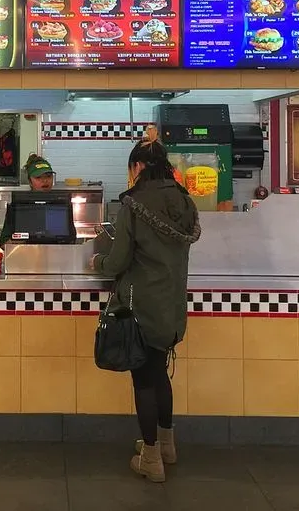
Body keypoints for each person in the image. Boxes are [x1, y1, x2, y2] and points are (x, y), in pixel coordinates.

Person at [91, 140, 200, 483]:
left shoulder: (134, 204)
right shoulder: (184, 200)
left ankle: (151, 458)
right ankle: (166, 446)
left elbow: (118, 261)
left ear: (138, 166)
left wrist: (98, 262)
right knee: (159, 374)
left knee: (144, 381)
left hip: (142, 307)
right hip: (172, 306)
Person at [0, 153, 76, 245]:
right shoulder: (18, 205)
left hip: (55, 252)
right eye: (38, 177)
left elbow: (72, 239)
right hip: (26, 252)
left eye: (48, 176)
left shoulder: (62, 204)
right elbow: (4, 243)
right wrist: (15, 242)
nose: (45, 180)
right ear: (30, 181)